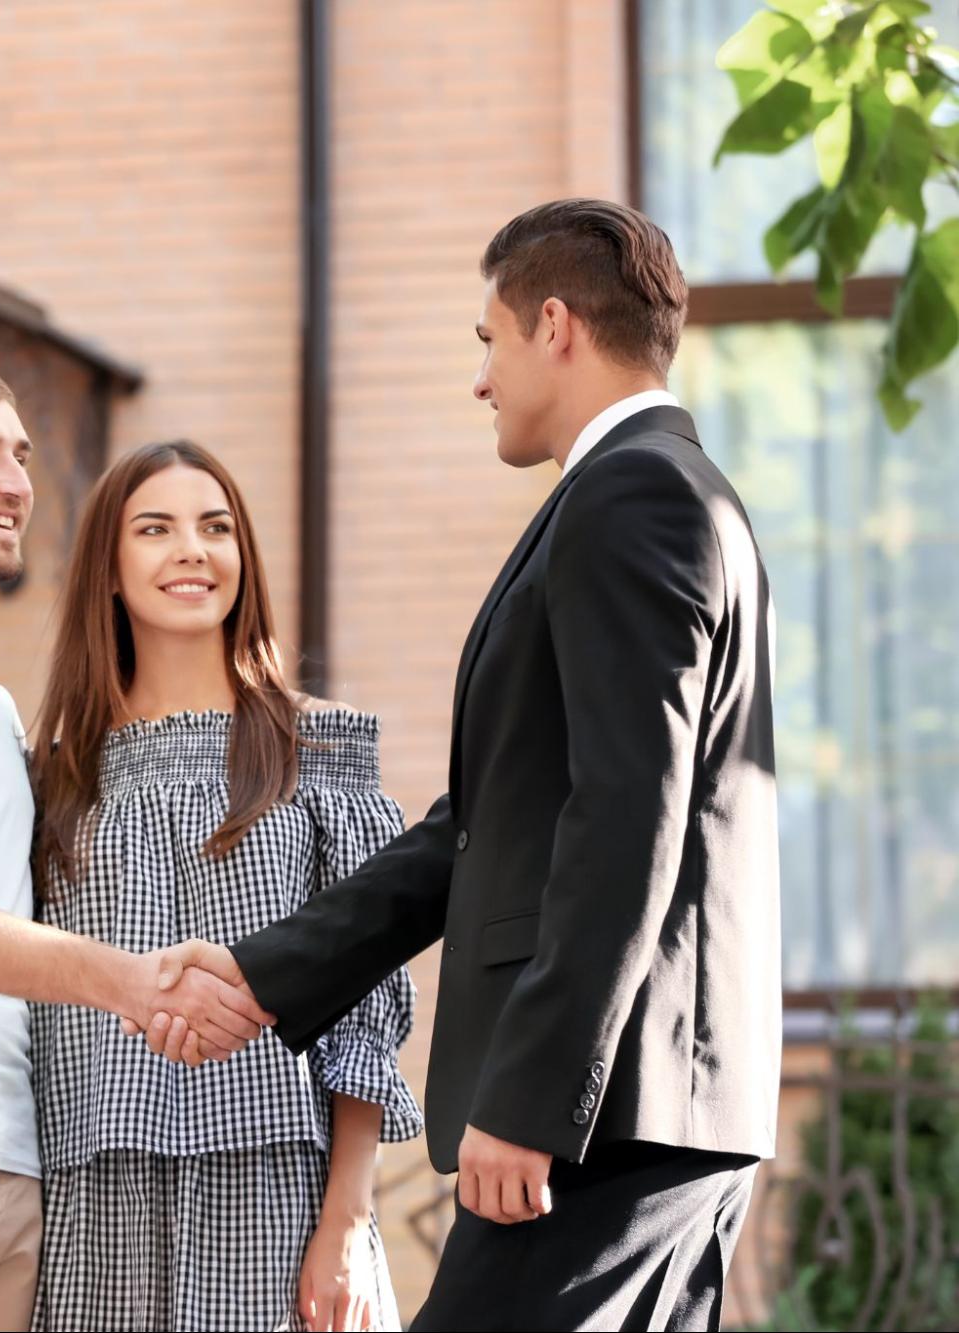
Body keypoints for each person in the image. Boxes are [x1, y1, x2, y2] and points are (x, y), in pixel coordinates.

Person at [149, 200, 781, 1332]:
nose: (479, 380)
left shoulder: (629, 498)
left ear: (552, 325)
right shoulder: (662, 494)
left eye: (484, 341)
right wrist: (266, 972)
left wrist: (538, 1093)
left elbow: (625, 816)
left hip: (603, 1121)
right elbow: (485, 821)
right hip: (650, 1104)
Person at [0, 439, 422, 1332]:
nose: (191, 550)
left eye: (215, 528)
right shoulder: (50, 778)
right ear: (108, 565)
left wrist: (348, 1216)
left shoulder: (318, 754)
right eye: (155, 528)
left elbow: (363, 1000)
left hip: (275, 1185)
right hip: (87, 1192)